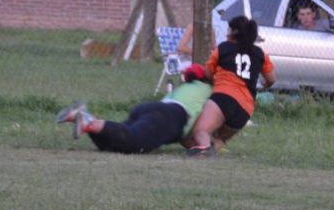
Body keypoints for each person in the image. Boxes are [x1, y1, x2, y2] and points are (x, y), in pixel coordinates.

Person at [55, 64, 213, 153]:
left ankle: (85, 119)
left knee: (112, 145)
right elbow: (201, 125)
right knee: (134, 143)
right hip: (169, 116)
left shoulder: (187, 87)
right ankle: (88, 122)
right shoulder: (209, 91)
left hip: (149, 108)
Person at [188, 15, 276, 157]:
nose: (226, 32)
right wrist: (264, 85)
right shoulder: (261, 54)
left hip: (224, 97)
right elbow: (271, 79)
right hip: (245, 108)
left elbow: (208, 73)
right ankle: (209, 152)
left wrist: (213, 83)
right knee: (221, 138)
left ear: (234, 32)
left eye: (228, 29)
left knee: (201, 131)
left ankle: (203, 148)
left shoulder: (223, 48)